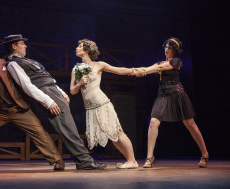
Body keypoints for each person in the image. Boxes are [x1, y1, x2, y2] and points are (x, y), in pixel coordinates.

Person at [3, 34, 106, 170]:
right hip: (47, 95)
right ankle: (84, 160)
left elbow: (46, 78)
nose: (25, 46)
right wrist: (48, 101)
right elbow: (27, 86)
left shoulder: (27, 61)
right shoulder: (13, 64)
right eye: (22, 43)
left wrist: (61, 92)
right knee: (67, 127)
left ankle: (84, 160)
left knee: (69, 126)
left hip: (53, 91)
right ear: (14, 46)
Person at [0, 40, 64, 171]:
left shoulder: (1, 62)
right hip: (0, 111)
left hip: (19, 108)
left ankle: (57, 160)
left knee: (39, 132)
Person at [133, 37, 209, 168]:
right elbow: (150, 68)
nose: (166, 50)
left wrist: (143, 71)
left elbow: (157, 68)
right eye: (166, 47)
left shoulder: (175, 61)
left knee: (190, 124)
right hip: (162, 95)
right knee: (153, 122)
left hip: (177, 94)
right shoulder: (160, 62)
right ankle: (149, 157)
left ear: (175, 50)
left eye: (170, 48)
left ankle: (205, 154)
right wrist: (138, 71)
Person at [70, 38, 139, 169]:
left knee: (117, 132)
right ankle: (130, 160)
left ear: (87, 50)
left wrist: (133, 71)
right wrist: (79, 83)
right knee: (112, 135)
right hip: (90, 107)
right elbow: (73, 91)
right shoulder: (76, 69)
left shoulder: (99, 65)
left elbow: (118, 70)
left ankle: (132, 160)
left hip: (102, 103)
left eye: (80, 46)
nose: (77, 48)